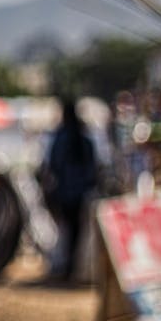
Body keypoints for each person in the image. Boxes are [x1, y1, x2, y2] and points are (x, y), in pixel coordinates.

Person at [40, 99, 100, 281]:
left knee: (66, 231)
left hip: (65, 192)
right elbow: (93, 168)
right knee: (76, 231)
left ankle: (68, 266)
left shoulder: (61, 138)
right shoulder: (85, 139)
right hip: (80, 193)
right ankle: (71, 266)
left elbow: (52, 166)